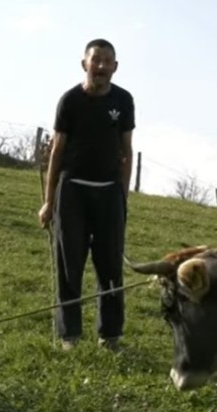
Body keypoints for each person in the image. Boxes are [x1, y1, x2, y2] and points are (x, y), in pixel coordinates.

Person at [38, 38, 136, 352]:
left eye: (108, 61)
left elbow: (126, 150)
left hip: (109, 194)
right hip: (72, 192)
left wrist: (122, 195)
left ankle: (110, 336)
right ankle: (70, 336)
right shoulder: (69, 101)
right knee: (70, 265)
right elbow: (57, 151)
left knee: (109, 266)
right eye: (96, 60)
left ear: (115, 67)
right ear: (85, 64)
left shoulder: (124, 101)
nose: (102, 67)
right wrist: (49, 201)